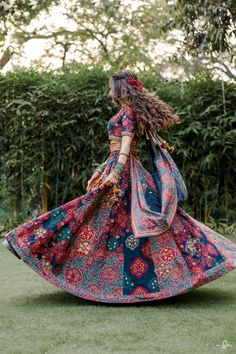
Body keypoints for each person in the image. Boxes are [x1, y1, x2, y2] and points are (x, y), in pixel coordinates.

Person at [2, 69, 236, 304]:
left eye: (111, 86)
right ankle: (126, 280)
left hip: (124, 172)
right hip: (118, 166)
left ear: (120, 88)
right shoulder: (124, 111)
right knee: (110, 221)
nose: (108, 90)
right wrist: (101, 168)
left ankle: (34, 244)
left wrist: (115, 172)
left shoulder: (129, 113)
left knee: (96, 216)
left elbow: (126, 145)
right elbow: (116, 149)